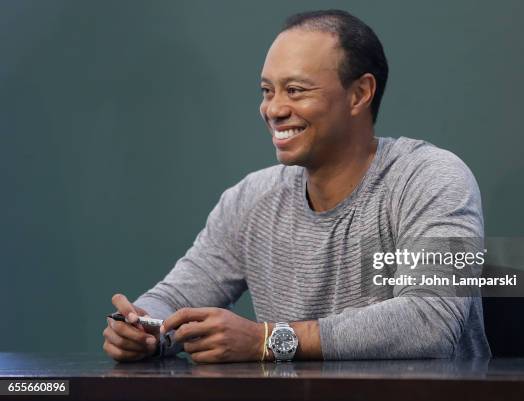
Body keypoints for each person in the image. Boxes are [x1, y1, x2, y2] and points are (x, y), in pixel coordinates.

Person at [102, 9, 491, 363]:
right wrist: (141, 326)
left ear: (359, 94)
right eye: (267, 91)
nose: (274, 109)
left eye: (296, 90)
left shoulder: (430, 178)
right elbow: (175, 298)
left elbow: (431, 322)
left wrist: (268, 340)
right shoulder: (251, 199)